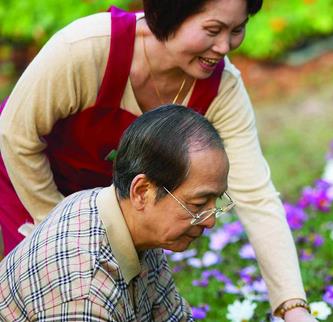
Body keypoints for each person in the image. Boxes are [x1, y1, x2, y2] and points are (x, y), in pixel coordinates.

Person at [0, 0, 314, 320]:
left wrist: (293, 308)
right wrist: (65, 233)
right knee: (55, 293)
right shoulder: (85, 49)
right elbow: (16, 136)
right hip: (32, 180)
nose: (224, 46)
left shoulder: (222, 89)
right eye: (213, 30)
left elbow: (257, 197)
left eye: (237, 30)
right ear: (170, 13)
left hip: (124, 200)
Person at [0, 105, 230, 321]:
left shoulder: (129, 222)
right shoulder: (83, 291)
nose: (210, 221)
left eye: (216, 200)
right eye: (199, 204)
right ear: (142, 191)